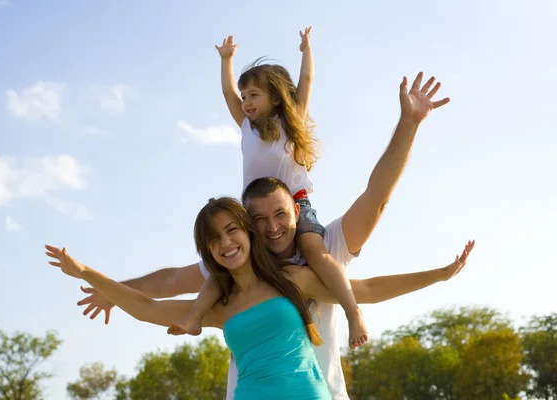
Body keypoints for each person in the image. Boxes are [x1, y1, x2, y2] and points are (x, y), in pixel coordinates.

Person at [74, 70, 452, 400]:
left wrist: (409, 124)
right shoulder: (233, 275)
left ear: (298, 211)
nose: (272, 227)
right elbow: (170, 281)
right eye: (259, 220)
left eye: (281, 215)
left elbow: (377, 199)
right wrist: (112, 291)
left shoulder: (325, 245)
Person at [45, 197, 474, 400]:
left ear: (247, 232)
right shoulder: (217, 307)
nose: (226, 243)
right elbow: (149, 308)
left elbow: (365, 291)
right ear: (208, 251)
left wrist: (439, 275)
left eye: (232, 230)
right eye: (214, 239)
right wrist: (87, 274)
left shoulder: (294, 279)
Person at [175, 28, 371, 349]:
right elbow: (227, 95)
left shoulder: (290, 123)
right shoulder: (246, 127)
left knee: (317, 256)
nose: (246, 102)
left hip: (294, 205)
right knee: (222, 269)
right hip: (253, 214)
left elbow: (306, 83)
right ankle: (196, 317)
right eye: (245, 95)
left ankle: (353, 312)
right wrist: (226, 60)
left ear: (275, 98)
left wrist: (306, 50)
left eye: (254, 95)